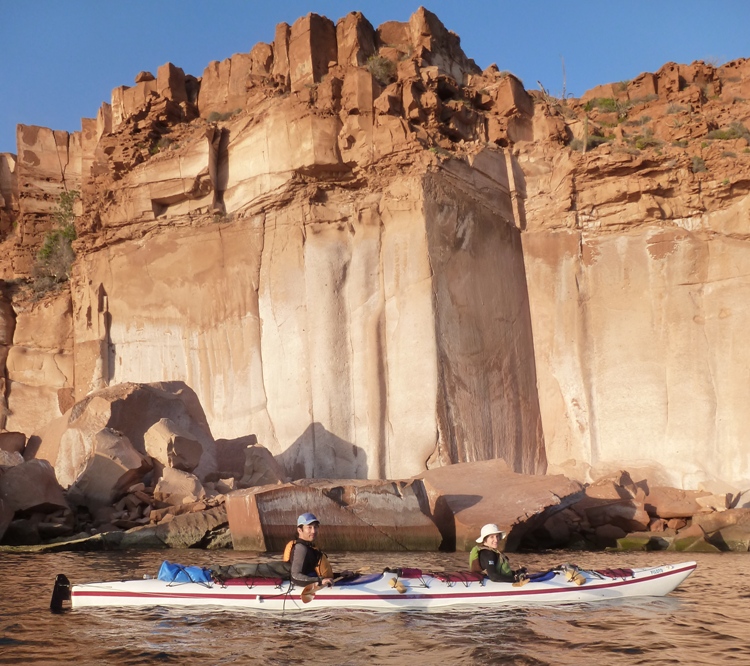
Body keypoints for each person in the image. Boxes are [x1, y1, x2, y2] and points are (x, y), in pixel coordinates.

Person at [283, 512, 334, 587]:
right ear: (300, 530)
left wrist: (340, 575)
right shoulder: (301, 549)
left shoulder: (309, 547)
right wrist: (320, 581)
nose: (313, 531)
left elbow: (316, 572)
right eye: (309, 527)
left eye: (315, 527)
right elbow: (295, 576)